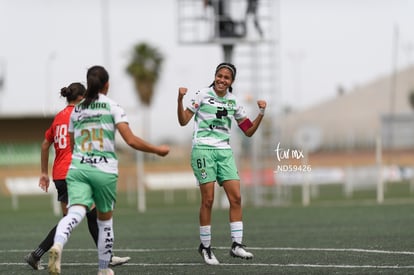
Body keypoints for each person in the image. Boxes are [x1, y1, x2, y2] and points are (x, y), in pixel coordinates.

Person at [47, 65, 170, 275]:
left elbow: (72, 142)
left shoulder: (77, 110)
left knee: (74, 212)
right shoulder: (112, 106)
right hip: (104, 170)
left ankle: (58, 244)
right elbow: (130, 140)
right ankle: (103, 269)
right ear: (107, 85)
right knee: (105, 222)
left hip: (78, 168)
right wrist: (157, 150)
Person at [24, 83, 130, 271]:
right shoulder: (82, 116)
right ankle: (107, 257)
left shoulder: (58, 118)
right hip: (76, 173)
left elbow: (44, 145)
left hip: (59, 175)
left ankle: (37, 255)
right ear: (81, 98)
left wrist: (43, 173)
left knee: (75, 218)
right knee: (88, 216)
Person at [177, 62, 267, 265]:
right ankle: (205, 247)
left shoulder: (234, 102)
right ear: (215, 76)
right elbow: (183, 120)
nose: (222, 80)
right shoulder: (202, 94)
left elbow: (248, 131)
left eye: (226, 78)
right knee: (208, 200)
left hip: (224, 152)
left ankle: (237, 245)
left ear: (231, 82)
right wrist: (180, 99)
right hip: (203, 150)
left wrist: (260, 113)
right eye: (219, 76)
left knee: (236, 198)